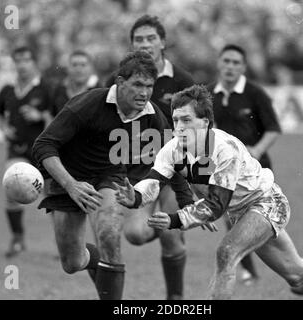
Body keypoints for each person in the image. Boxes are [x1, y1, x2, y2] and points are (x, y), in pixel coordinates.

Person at [114, 84, 303, 300]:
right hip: (241, 212)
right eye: (176, 121)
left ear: (205, 122)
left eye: (186, 120)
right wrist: (134, 196)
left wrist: (175, 219)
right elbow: (154, 180)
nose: (179, 128)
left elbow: (215, 206)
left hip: (267, 202)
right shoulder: (173, 149)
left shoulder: (225, 149)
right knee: (299, 276)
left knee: (227, 252)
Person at [32, 51, 188, 300]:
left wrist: (190, 204)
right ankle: (95, 262)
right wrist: (71, 185)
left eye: (149, 86)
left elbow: (173, 160)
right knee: (72, 262)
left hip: (110, 177)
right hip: (67, 179)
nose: (144, 92)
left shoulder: (152, 116)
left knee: (108, 233)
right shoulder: (88, 104)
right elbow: (43, 145)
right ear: (120, 82)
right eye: (138, 84)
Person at [105, 14, 194, 299]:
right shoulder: (117, 81)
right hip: (136, 175)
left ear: (163, 42)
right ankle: (160, 224)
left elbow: (202, 129)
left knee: (170, 234)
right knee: (136, 235)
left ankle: (176, 298)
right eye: (138, 39)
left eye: (150, 38)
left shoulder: (182, 80)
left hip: (174, 171)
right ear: (131, 45)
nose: (145, 44)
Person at [207, 44, 282, 283]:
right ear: (218, 63)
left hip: (257, 170)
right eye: (226, 61)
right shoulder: (208, 94)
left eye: (235, 62)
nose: (230, 67)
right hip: (225, 170)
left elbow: (273, 129)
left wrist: (256, 150)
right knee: (231, 218)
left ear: (244, 67)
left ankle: (288, 266)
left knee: (260, 220)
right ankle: (248, 271)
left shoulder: (255, 93)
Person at [0, 46, 51, 258]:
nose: (22, 65)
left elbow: (57, 116)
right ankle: (17, 238)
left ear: (33, 62)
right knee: (11, 190)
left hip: (43, 151)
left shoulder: (45, 88)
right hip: (16, 149)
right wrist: (4, 128)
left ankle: (62, 240)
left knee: (52, 195)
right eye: (18, 61)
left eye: (26, 60)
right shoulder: (8, 90)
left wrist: (40, 115)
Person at [50, 50, 100, 117]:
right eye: (74, 65)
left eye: (83, 65)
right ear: (67, 68)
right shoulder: (59, 90)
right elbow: (51, 117)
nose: (78, 69)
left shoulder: (99, 91)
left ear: (91, 68)